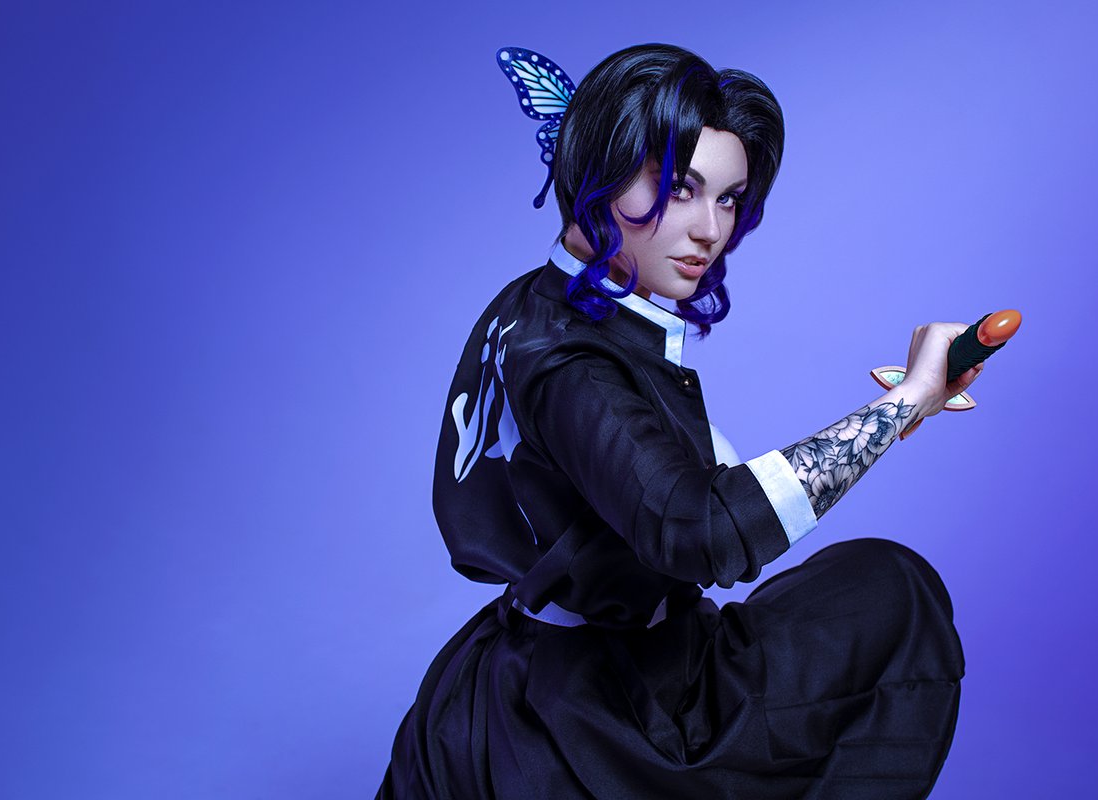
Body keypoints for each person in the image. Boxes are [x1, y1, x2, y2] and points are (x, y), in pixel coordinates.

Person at [376, 43, 980, 799]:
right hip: (573, 717)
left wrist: (887, 423)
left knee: (887, 592)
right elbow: (701, 532)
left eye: (728, 199)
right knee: (892, 601)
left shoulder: (553, 302)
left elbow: (678, 491)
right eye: (678, 189)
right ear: (596, 170)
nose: (709, 230)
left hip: (641, 659)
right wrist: (899, 406)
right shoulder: (567, 360)